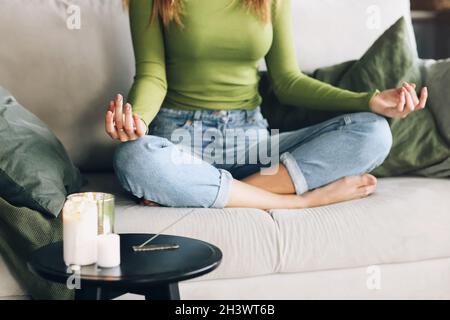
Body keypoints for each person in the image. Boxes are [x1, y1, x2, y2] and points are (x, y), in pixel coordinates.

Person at [106, 0, 428, 210]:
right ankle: (295, 202)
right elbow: (152, 76)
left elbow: (288, 81)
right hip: (181, 140)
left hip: (253, 143)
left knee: (373, 132)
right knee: (134, 156)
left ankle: (209, 191)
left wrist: (367, 101)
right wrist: (138, 120)